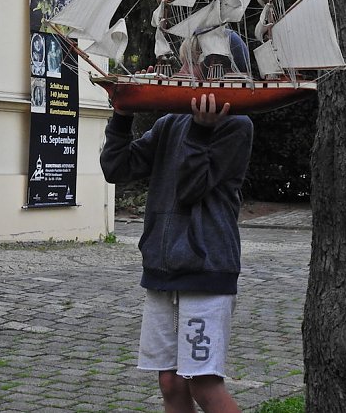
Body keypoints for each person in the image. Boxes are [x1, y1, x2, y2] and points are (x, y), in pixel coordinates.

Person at [100, 92, 253, 413]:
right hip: (162, 269)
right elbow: (117, 167)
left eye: (191, 64)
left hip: (207, 270)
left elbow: (191, 187)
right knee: (170, 383)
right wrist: (122, 115)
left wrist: (200, 130)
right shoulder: (169, 123)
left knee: (203, 385)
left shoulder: (237, 125)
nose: (183, 72)